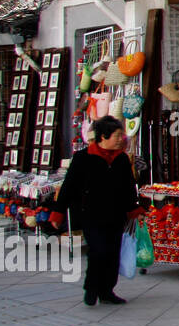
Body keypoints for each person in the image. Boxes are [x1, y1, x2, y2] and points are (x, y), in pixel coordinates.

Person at [55, 116, 142, 306]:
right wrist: (58, 212)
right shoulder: (83, 158)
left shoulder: (121, 159)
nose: (121, 139)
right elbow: (68, 186)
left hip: (115, 215)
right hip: (91, 215)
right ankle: (91, 288)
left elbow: (128, 187)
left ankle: (107, 290)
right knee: (98, 251)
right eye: (118, 135)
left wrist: (134, 209)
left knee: (112, 253)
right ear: (103, 136)